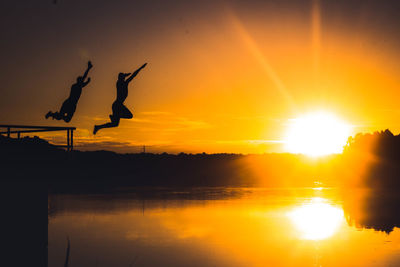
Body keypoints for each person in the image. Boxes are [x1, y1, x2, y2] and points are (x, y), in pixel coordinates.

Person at [93, 63, 147, 134]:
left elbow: (132, 76)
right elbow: (130, 76)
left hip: (118, 105)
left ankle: (98, 127)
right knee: (128, 116)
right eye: (123, 77)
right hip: (117, 105)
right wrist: (139, 69)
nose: (124, 78)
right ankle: (112, 118)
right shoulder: (120, 83)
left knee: (115, 124)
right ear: (121, 78)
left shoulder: (123, 82)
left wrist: (139, 69)